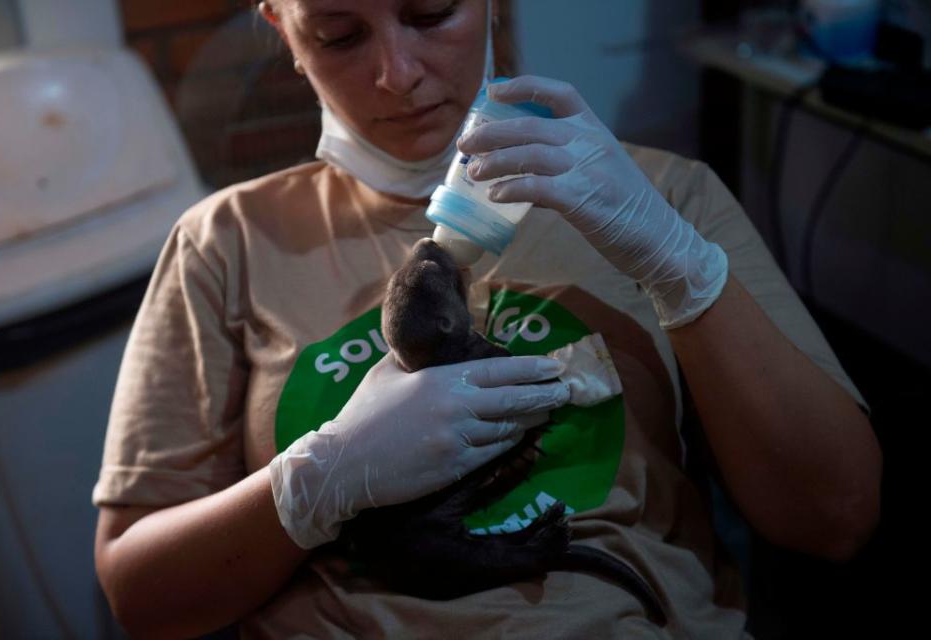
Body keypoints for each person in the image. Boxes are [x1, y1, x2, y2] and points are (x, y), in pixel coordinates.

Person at [92, 0, 882, 637]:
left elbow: (836, 520)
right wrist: (316, 482)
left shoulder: (664, 199)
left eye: (431, 15)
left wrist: (680, 265)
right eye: (338, 34)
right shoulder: (225, 242)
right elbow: (143, 595)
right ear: (283, 30)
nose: (396, 74)